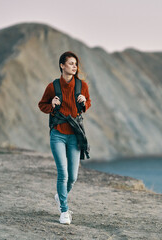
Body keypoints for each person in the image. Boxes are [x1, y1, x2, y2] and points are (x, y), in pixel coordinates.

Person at [38, 51, 91, 224]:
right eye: (70, 63)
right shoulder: (53, 86)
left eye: (75, 64)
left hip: (75, 136)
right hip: (58, 134)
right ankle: (64, 211)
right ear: (62, 65)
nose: (74, 66)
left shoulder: (82, 85)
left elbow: (87, 105)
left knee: (73, 177)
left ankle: (60, 196)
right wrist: (51, 105)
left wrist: (84, 101)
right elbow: (42, 105)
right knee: (63, 174)